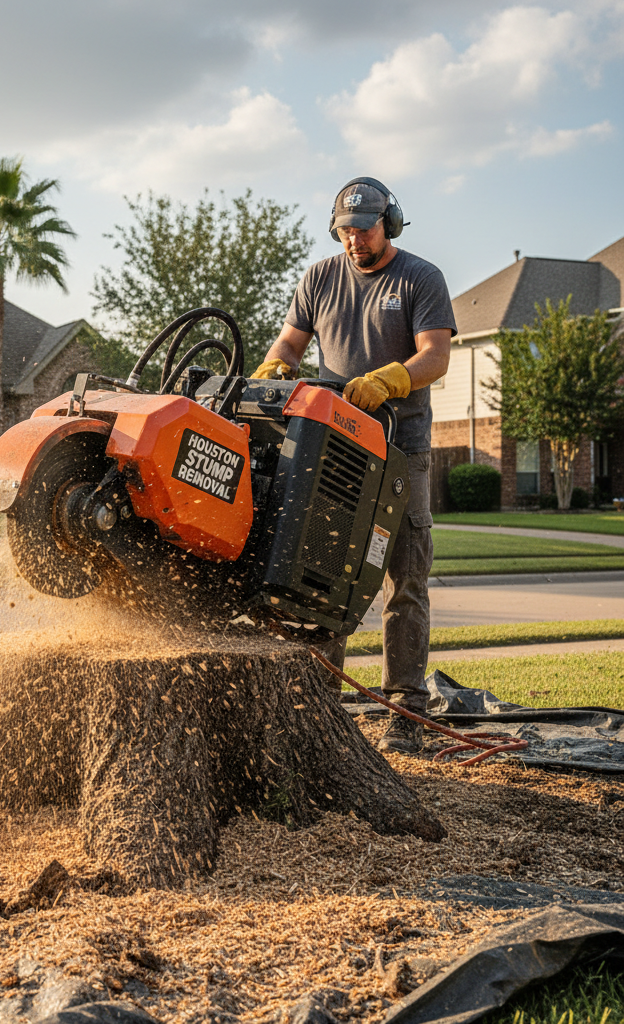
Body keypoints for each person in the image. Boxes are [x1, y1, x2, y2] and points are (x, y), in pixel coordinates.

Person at [251, 177, 456, 753]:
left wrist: (392, 379)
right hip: (333, 448)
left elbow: (434, 354)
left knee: (404, 580)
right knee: (320, 567)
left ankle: (405, 713)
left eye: (364, 230)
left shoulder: (420, 277)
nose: (354, 241)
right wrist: (275, 367)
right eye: (345, 230)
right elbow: (290, 343)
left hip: (401, 449)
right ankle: (320, 707)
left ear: (388, 224)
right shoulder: (319, 277)